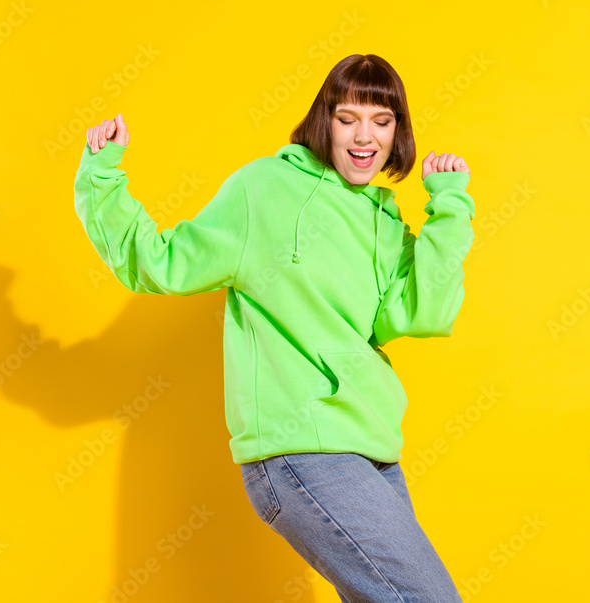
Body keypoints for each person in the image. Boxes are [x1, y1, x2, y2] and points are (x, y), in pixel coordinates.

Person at [73, 53, 475, 601]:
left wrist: (449, 209)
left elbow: (423, 312)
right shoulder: (265, 188)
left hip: (373, 449)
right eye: (348, 117)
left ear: (397, 132)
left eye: (382, 121)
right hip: (303, 449)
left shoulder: (381, 217)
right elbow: (163, 263)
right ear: (323, 121)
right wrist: (102, 178)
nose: (365, 136)